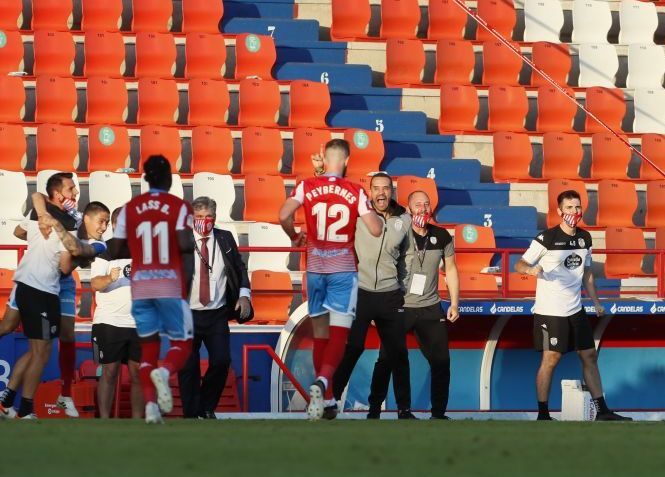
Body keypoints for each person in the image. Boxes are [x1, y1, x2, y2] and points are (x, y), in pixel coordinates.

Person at [279, 139, 383, 421]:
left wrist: (293, 235)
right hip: (342, 269)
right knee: (339, 335)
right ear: (346, 160)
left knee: (321, 334)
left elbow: (283, 214)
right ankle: (324, 382)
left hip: (314, 269)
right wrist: (377, 218)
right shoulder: (354, 190)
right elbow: (374, 230)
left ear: (324, 159)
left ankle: (326, 401)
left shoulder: (306, 185)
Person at [515, 190, 631, 421]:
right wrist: (529, 270)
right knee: (551, 358)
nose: (574, 212)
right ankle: (543, 414)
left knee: (589, 355)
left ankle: (603, 411)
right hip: (551, 311)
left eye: (577, 207)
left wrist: (596, 302)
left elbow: (586, 272)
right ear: (559, 211)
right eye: (569, 207)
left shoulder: (585, 238)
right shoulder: (545, 238)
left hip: (576, 309)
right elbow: (520, 263)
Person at [0, 177, 106, 419]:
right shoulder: (54, 214)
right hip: (41, 284)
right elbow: (33, 205)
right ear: (58, 194)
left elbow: (69, 265)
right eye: (101, 221)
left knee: (48, 342)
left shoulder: (86, 234)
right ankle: (25, 408)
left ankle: (54, 395)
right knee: (37, 344)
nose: (104, 227)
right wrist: (40, 228)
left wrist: (52, 231)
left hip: (53, 282)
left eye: (107, 222)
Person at [110, 154, 195, 424]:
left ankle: (150, 408)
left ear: (145, 179)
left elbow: (116, 249)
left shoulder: (128, 209)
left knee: (148, 349)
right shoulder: (179, 207)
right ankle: (166, 370)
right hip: (169, 283)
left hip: (141, 286)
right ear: (169, 178)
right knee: (183, 343)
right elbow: (185, 245)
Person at [368, 190, 460, 420]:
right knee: (388, 359)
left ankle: (438, 413)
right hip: (399, 306)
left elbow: (450, 270)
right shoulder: (398, 234)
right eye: (418, 204)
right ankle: (378, 409)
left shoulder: (442, 235)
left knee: (441, 361)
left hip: (430, 306)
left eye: (426, 204)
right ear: (409, 209)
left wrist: (455, 304)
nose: (423, 208)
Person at [331, 172, 415, 419]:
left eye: (386, 188)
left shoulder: (405, 220)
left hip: (390, 296)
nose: (381, 193)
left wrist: (403, 286)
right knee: (353, 347)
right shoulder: (359, 215)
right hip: (361, 292)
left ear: (392, 191)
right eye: (376, 188)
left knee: (398, 353)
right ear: (370, 191)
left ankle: (404, 409)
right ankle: (330, 401)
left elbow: (408, 256)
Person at [178, 196, 252, 419]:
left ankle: (206, 406)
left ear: (215, 218)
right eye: (199, 217)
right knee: (187, 366)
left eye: (208, 216)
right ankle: (192, 414)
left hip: (217, 312)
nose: (204, 221)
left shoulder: (226, 238)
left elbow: (239, 268)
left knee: (221, 361)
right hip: (186, 313)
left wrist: (244, 295)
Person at [91, 207, 142, 419]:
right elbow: (95, 283)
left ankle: (139, 423)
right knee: (110, 372)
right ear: (113, 225)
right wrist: (110, 278)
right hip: (110, 321)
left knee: (138, 374)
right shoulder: (105, 249)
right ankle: (104, 421)